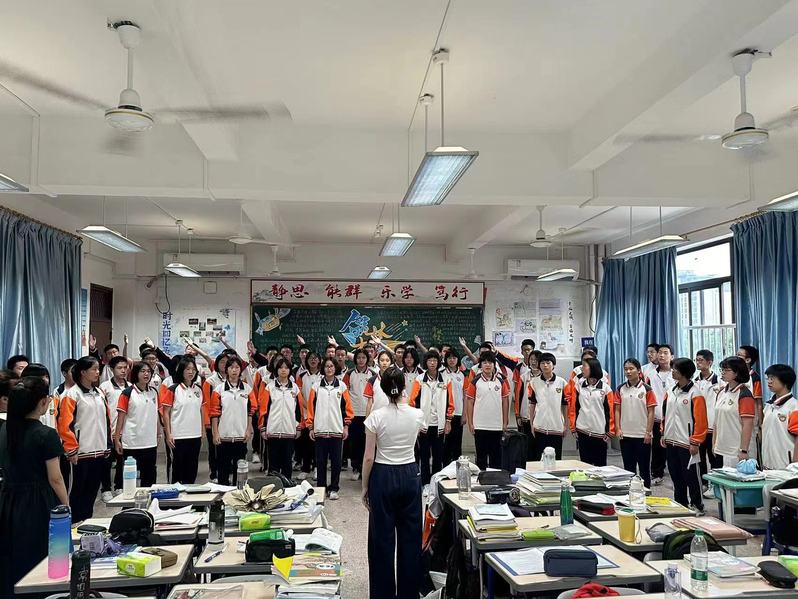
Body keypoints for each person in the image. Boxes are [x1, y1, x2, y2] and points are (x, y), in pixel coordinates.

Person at [0, 377, 69, 597]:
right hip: (38, 501)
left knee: (11, 552)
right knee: (38, 554)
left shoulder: (4, 430)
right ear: (42, 402)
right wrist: (66, 506)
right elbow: (55, 479)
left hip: (8, 499)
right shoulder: (46, 434)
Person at [361, 366, 424, 599]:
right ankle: (409, 594)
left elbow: (369, 457)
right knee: (411, 539)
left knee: (381, 541)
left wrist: (364, 487)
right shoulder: (417, 415)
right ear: (404, 386)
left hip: (383, 475)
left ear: (383, 389)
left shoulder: (375, 417)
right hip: (409, 474)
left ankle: (383, 594)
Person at [57, 356, 111, 522]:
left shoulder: (99, 393)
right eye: (94, 369)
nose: (97, 372)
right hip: (79, 454)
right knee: (76, 493)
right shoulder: (71, 394)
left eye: (98, 369)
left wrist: (107, 444)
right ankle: (73, 525)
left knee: (91, 493)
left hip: (99, 451)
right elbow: (64, 425)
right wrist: (71, 449)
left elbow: (107, 420)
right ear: (83, 372)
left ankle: (87, 524)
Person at [662, 358, 707, 513]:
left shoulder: (695, 393)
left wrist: (695, 441)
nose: (672, 371)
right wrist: (663, 433)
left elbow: (701, 421)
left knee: (691, 476)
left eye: (675, 369)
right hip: (671, 440)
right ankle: (680, 504)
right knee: (676, 476)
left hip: (687, 443)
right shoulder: (670, 391)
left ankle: (697, 504)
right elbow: (665, 414)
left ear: (684, 372)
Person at [306, 357, 354, 500]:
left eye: (331, 366)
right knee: (320, 462)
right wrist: (310, 427)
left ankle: (334, 488)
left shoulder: (342, 386)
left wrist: (346, 426)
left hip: (336, 430)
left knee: (336, 462)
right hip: (320, 430)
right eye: (327, 366)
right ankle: (321, 489)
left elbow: (347, 409)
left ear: (335, 368)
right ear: (323, 368)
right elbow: (310, 408)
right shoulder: (316, 386)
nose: (329, 368)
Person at [210, 355, 257, 486]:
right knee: (223, 469)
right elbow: (214, 414)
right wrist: (215, 433)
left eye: (237, 367)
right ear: (227, 370)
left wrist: (248, 429)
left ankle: (239, 493)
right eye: (231, 367)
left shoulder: (247, 389)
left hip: (241, 436)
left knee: (240, 471)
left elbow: (251, 411)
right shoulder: (219, 390)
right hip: (223, 437)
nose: (234, 370)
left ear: (240, 370)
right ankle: (222, 493)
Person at [408, 351, 453, 484]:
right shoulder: (419, 379)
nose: (432, 363)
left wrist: (448, 421)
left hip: (439, 424)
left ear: (438, 362)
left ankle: (436, 483)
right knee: (424, 456)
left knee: (438, 456)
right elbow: (412, 402)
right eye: (429, 360)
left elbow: (450, 402)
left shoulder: (446, 379)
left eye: (435, 360)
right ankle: (425, 483)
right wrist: (415, 422)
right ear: (426, 362)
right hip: (423, 425)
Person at [113, 361, 159, 487]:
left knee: (149, 478)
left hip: (150, 442)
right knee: (129, 479)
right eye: (142, 371)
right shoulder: (127, 393)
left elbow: (156, 415)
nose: (146, 374)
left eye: (148, 371)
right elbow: (120, 418)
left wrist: (158, 434)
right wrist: (117, 439)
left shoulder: (154, 392)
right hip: (132, 442)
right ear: (136, 373)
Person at [160, 357, 205, 484]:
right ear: (181, 371)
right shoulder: (173, 389)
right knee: (177, 470)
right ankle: (175, 495)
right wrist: (168, 434)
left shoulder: (198, 389)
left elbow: (201, 411)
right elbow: (166, 413)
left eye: (193, 369)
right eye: (187, 369)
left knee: (192, 469)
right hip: (178, 436)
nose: (191, 372)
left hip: (195, 436)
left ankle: (190, 494)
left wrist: (202, 430)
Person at [258, 357, 305, 479]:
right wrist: (263, 428)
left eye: (286, 368)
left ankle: (287, 486)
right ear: (276, 370)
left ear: (290, 370)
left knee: (287, 462)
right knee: (273, 463)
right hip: (272, 431)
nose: (283, 370)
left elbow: (299, 410)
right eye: (281, 367)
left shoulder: (295, 388)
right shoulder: (269, 387)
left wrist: (299, 427)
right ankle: (273, 487)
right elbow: (264, 409)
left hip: (289, 431)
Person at [615, 358, 656, 488]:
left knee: (644, 468)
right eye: (626, 369)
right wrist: (618, 428)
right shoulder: (620, 389)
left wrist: (648, 432)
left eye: (631, 369)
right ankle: (630, 493)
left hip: (642, 435)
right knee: (628, 469)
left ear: (638, 371)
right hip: (625, 435)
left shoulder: (647, 389)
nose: (628, 372)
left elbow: (651, 412)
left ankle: (646, 494)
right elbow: (617, 410)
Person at [465, 352, 509, 469]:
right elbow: (470, 402)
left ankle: (495, 479)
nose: (487, 365)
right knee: (481, 457)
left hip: (497, 425)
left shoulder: (501, 381)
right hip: (480, 425)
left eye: (490, 362)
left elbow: (505, 402)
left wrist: (505, 422)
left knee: (496, 457)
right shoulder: (475, 381)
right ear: (480, 365)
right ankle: (482, 478)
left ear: (494, 365)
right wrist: (470, 423)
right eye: (484, 362)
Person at [569, 357, 613, 467]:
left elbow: (610, 411)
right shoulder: (578, 385)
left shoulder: (606, 389)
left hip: (599, 433)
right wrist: (573, 427)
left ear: (593, 368)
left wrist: (610, 431)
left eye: (584, 366)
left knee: (600, 466)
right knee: (585, 465)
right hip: (582, 430)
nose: (582, 369)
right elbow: (574, 407)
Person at [713, 356, 755, 467]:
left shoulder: (744, 394)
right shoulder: (721, 392)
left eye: (726, 370)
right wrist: (714, 443)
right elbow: (716, 421)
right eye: (722, 369)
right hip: (721, 448)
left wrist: (743, 450)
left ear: (737, 373)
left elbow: (747, 425)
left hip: (736, 450)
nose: (723, 372)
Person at [528, 352, 568, 460]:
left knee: (556, 459)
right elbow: (532, 405)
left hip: (556, 427)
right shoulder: (534, 383)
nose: (545, 365)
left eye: (548, 363)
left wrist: (566, 424)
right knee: (539, 458)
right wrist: (531, 424)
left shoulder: (562, 383)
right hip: (539, 427)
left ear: (553, 365)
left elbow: (565, 405)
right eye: (542, 363)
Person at [99, 355, 129, 499]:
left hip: (125, 430)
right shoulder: (104, 387)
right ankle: (105, 488)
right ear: (112, 369)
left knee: (123, 461)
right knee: (106, 461)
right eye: (119, 368)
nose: (123, 370)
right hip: (108, 430)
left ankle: (120, 486)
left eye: (125, 368)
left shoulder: (131, 387)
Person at [694, 349, 722, 497]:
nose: (698, 363)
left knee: (714, 457)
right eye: (696, 360)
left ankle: (715, 485)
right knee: (700, 457)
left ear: (709, 362)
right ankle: (704, 483)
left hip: (713, 425)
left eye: (701, 360)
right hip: (699, 426)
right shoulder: (694, 382)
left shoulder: (720, 382)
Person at [343, 349, 374, 481]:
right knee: (355, 442)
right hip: (354, 413)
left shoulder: (373, 374)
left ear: (367, 359)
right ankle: (356, 467)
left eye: (363, 357)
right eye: (359, 357)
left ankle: (365, 469)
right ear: (355, 359)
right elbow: (344, 393)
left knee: (367, 442)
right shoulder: (349, 374)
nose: (361, 360)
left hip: (368, 413)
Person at [647, 344, 675, 485]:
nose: (662, 355)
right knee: (657, 447)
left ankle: (675, 473)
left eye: (665, 353)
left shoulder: (676, 373)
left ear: (672, 356)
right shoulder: (651, 375)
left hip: (673, 417)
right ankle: (657, 473)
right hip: (657, 416)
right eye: (660, 353)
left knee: (673, 447)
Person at [761, 364, 798, 470]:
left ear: (785, 381)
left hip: (786, 466)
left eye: (772, 378)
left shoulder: (794, 406)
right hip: (767, 464)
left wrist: (795, 463)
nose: (769, 381)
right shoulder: (768, 405)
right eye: (768, 378)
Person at [296, 351, 322, 481]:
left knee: (318, 444)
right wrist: (308, 407)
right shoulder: (302, 376)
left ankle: (317, 468)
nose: (313, 360)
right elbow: (299, 394)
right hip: (306, 415)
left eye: (316, 358)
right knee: (305, 443)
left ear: (319, 361)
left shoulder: (323, 376)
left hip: (320, 415)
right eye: (311, 358)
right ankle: (305, 468)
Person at [737, 345, 763, 457]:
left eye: (739, 355)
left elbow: (759, 403)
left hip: (751, 418)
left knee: (750, 448)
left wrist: (760, 425)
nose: (736, 357)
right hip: (736, 417)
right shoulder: (735, 376)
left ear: (748, 360)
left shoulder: (754, 377)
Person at [442, 349, 466, 464]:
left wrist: (464, 414)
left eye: (454, 358)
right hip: (444, 413)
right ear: (445, 360)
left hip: (458, 412)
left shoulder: (462, 375)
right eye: (449, 358)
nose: (451, 360)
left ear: (458, 360)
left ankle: (457, 468)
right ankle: (445, 467)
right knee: (446, 443)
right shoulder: (441, 373)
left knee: (457, 443)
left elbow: (465, 396)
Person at [364, 350, 396, 415]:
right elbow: (369, 403)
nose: (384, 363)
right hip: (375, 416)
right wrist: (367, 419)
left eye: (387, 360)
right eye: (382, 360)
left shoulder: (395, 380)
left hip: (391, 416)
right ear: (378, 362)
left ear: (391, 363)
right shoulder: (372, 380)